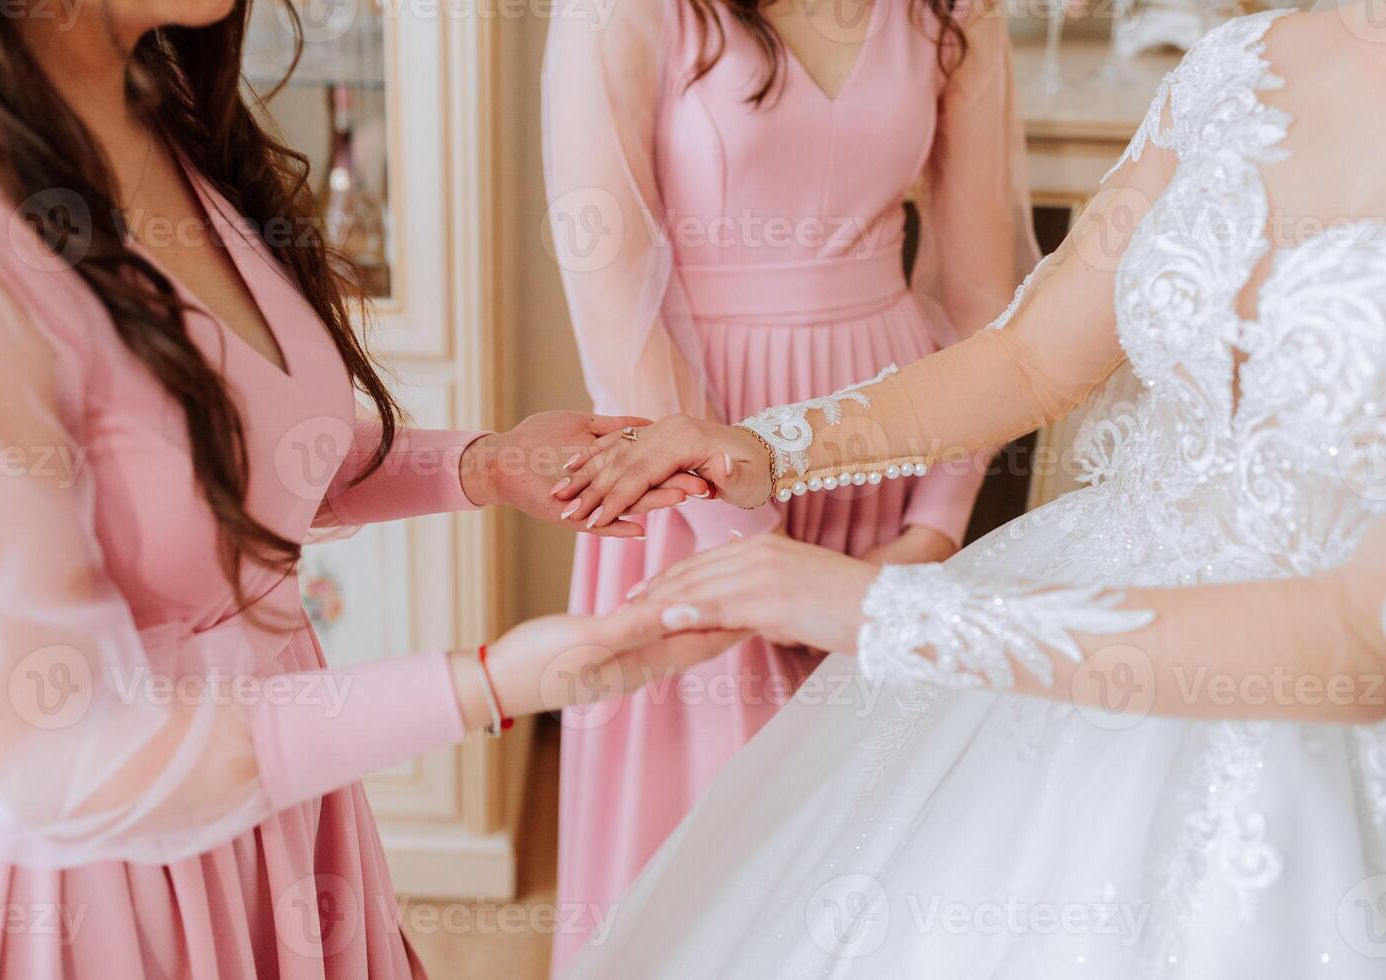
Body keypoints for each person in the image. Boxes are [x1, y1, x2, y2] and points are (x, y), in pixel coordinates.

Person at [551, 5, 1386, 975]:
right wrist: (769, 446)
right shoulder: (1239, 62)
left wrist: (888, 609)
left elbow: (1359, 642)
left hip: (1294, 725)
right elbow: (1031, 359)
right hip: (1091, 606)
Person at [0, 3, 716, 977]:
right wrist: (498, 680)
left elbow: (228, 456)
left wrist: (488, 463)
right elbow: (68, 754)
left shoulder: (150, 104)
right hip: (104, 880)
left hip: (272, 799)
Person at [541, 0, 1036, 962]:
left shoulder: (955, 13)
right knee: (707, 861)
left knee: (863, 848)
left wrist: (933, 529)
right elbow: (616, 299)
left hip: (889, 446)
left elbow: (985, 300)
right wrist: (749, 553)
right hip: (682, 467)